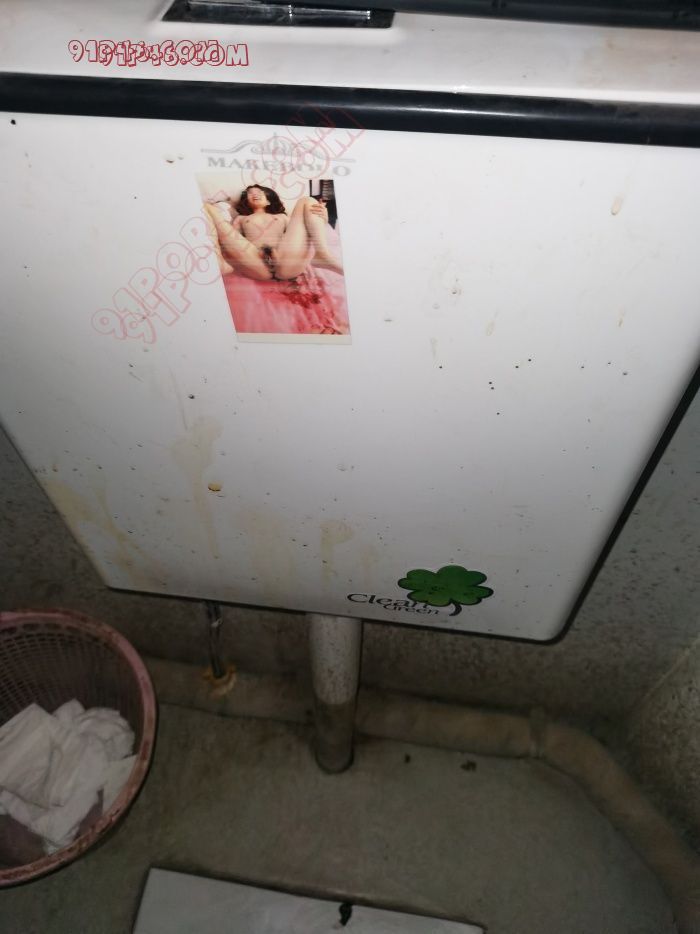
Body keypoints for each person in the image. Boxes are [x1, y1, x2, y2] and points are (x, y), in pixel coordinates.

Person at [203, 185, 343, 281]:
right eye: (250, 193)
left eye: (259, 192)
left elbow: (300, 232)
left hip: (286, 260)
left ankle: (322, 254)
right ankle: (220, 262)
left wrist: (322, 218)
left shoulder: (282, 217)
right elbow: (233, 241)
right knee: (207, 207)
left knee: (307, 200)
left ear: (269, 200)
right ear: (246, 201)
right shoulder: (241, 218)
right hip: (255, 261)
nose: (254, 194)